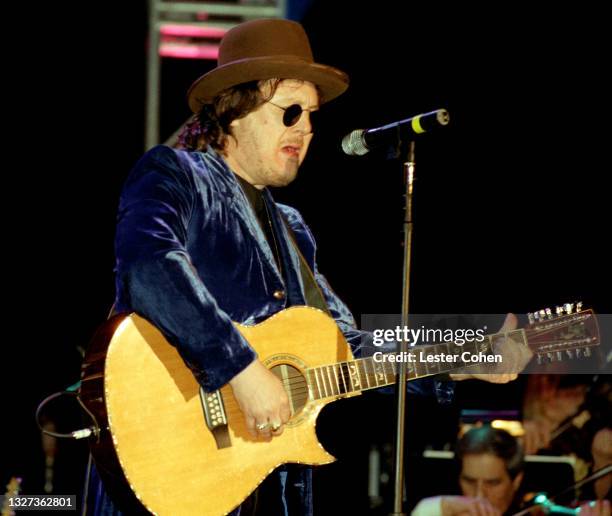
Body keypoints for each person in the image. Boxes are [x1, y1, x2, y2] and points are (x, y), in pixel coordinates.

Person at [85, 18, 531, 516]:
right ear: (236, 109)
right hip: (166, 470)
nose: (306, 129)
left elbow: (347, 346)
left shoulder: (292, 228)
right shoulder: (177, 174)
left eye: (312, 117)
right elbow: (150, 264)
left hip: (265, 490)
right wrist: (241, 369)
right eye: (290, 111)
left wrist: (463, 354)